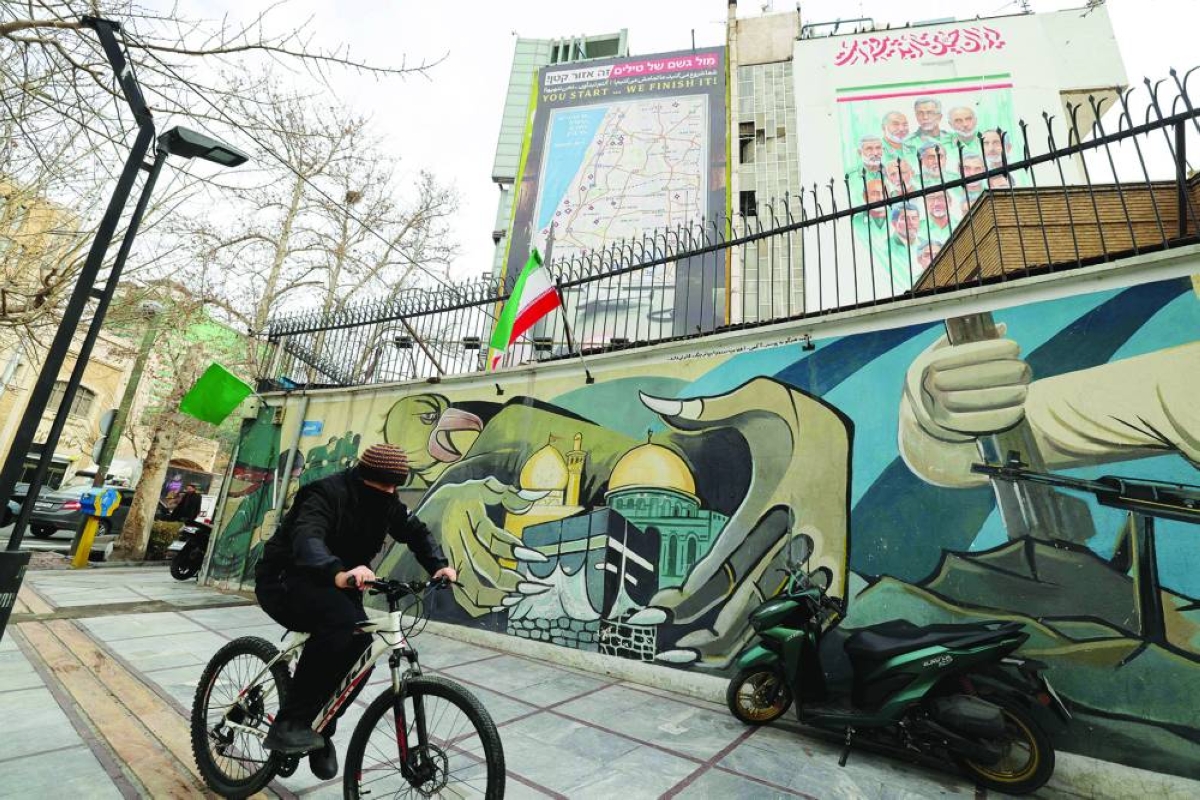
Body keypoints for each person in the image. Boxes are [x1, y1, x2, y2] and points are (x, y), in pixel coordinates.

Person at [255, 443, 457, 779]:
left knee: (362, 644)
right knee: (339, 625)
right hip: (288, 578)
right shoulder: (324, 493)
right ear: (364, 477)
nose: (390, 493)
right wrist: (335, 570)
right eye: (384, 485)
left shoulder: (387, 502)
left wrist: (438, 566)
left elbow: (415, 531)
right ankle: (289, 722)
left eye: (396, 486)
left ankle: (320, 729)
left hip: (340, 585)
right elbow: (308, 537)